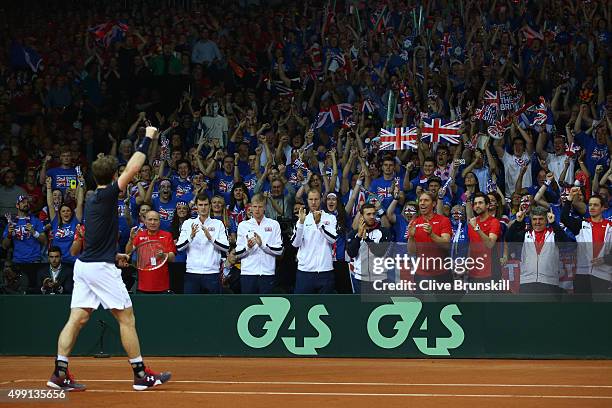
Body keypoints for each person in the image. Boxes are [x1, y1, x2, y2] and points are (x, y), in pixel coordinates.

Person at [47, 126, 171, 392]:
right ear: (114, 176)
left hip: (86, 266)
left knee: (77, 319)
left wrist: (115, 255)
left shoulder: (91, 199)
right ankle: (140, 375)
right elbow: (135, 166)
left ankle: (59, 373)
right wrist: (148, 136)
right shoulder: (105, 195)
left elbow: (93, 241)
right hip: (99, 269)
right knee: (127, 319)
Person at [506, 206, 572, 293]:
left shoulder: (553, 234)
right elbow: (509, 239)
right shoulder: (525, 235)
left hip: (550, 282)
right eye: (534, 219)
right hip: (527, 281)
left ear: (546, 220)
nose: (537, 222)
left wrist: (553, 223)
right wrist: (518, 222)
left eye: (541, 219)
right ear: (531, 220)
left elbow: (565, 243)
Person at [176, 193, 230, 294]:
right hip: (192, 272)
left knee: (213, 306)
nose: (203, 208)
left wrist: (211, 238)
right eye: (200, 205)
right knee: (191, 306)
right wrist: (190, 236)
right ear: (196, 206)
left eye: (205, 205)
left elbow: (226, 247)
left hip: (212, 272)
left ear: (209, 206)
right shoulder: (188, 223)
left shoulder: (218, 224)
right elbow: (179, 247)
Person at [562, 194, 612, 293]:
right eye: (590, 205)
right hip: (582, 274)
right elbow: (564, 218)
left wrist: (604, 259)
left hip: (603, 275)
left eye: (596, 205)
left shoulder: (610, 227)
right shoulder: (582, 224)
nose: (592, 207)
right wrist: (569, 199)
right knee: (582, 307)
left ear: (603, 208)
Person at [291, 189, 338, 294]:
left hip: (325, 270)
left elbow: (333, 239)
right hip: (305, 271)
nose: (313, 202)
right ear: (307, 201)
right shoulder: (302, 219)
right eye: (311, 199)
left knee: (326, 307)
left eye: (316, 199)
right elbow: (295, 243)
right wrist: (301, 224)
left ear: (321, 200)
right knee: (302, 306)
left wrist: (319, 224)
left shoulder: (330, 218)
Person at [235, 193, 283, 293]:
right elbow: (238, 253)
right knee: (248, 306)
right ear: (251, 207)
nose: (257, 209)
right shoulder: (243, 225)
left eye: (260, 207)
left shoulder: (274, 224)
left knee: (267, 307)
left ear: (265, 207)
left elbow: (279, 251)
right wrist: (248, 247)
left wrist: (262, 245)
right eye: (255, 206)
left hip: (267, 273)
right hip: (248, 274)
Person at [407, 191, 452, 292]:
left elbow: (446, 245)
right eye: (421, 200)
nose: (422, 203)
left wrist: (431, 234)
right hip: (421, 274)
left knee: (443, 306)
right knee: (423, 306)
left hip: (441, 274)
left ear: (434, 204)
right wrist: (411, 237)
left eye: (426, 200)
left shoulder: (444, 220)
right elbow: (411, 251)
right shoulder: (415, 222)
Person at [125, 210, 176, 294]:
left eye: (155, 220)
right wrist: (131, 239)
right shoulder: (139, 235)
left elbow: (172, 258)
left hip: (162, 285)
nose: (153, 222)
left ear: (159, 222)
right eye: (150, 219)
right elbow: (128, 252)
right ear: (145, 221)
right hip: (143, 285)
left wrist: (163, 255)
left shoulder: (167, 235)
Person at [346, 203, 393, 293]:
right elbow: (351, 253)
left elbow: (380, 253)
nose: (372, 216)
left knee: (379, 307)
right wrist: (359, 236)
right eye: (368, 214)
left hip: (379, 279)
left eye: (374, 214)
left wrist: (366, 239)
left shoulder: (384, 232)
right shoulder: (354, 234)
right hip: (360, 278)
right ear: (362, 216)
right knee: (361, 307)